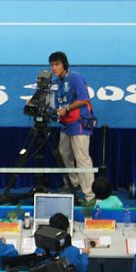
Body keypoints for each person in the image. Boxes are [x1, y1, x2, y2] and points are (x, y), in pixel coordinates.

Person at [49, 51, 96, 202]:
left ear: (64, 65)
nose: (54, 68)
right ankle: (72, 183)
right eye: (52, 65)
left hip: (79, 122)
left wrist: (67, 108)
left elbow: (83, 99)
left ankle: (89, 194)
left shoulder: (75, 77)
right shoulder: (55, 82)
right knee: (64, 154)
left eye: (57, 64)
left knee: (82, 157)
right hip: (66, 123)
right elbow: (49, 98)